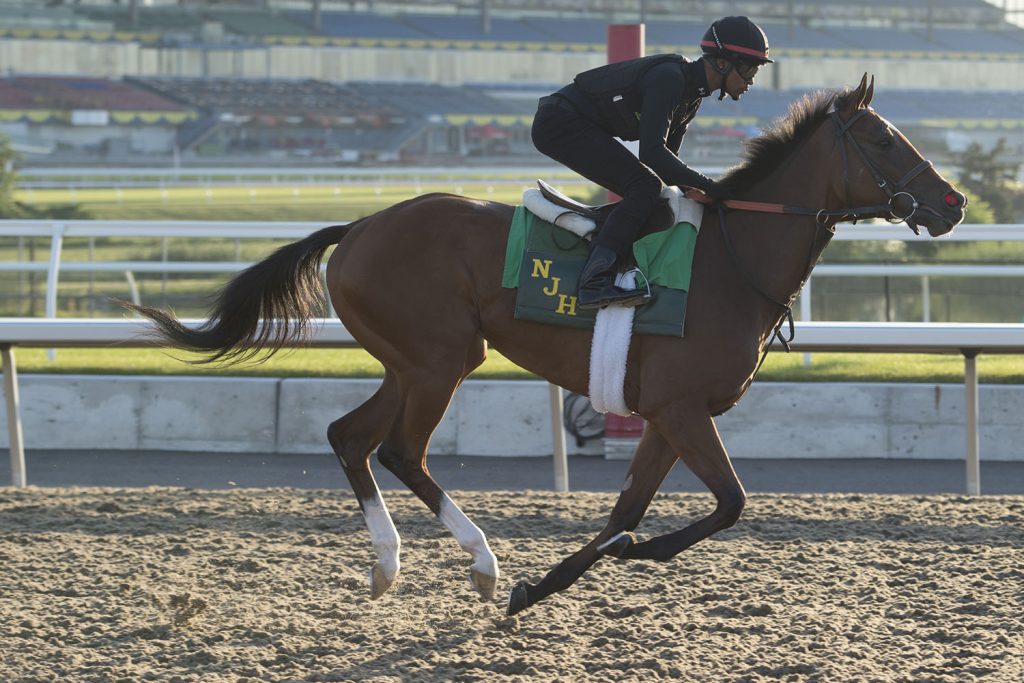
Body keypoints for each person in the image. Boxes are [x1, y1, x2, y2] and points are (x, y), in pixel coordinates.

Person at [531, 16, 773, 309]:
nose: (750, 81)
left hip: (574, 122)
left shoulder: (692, 95)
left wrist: (698, 191)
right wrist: (710, 185)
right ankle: (593, 282)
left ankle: (620, 260)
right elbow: (652, 155)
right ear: (722, 63)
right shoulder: (670, 78)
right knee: (644, 185)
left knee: (654, 189)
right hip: (559, 122)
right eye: (748, 68)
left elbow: (669, 163)